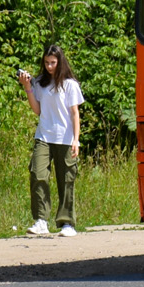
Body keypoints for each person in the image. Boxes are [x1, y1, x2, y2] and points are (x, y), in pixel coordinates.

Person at [17, 44, 84, 237]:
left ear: (60, 62)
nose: (49, 67)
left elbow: (74, 113)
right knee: (38, 174)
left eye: (53, 63)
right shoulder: (40, 82)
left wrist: (76, 140)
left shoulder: (70, 84)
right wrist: (28, 87)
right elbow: (37, 110)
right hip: (44, 135)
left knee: (66, 180)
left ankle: (67, 223)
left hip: (65, 138)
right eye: (46, 63)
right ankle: (41, 220)